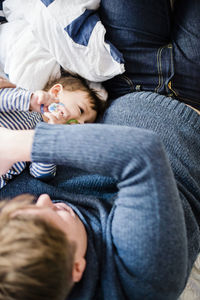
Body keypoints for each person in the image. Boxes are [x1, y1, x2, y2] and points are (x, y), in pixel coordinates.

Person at [0, 0, 199, 299]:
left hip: (118, 81)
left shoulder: (12, 245)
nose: (43, 199)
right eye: (56, 213)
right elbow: (141, 153)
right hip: (192, 98)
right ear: (76, 269)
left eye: (26, 210)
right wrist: (18, 144)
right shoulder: (143, 275)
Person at [0, 74, 105, 188]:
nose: (80, 123)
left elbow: (41, 175)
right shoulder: (22, 99)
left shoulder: (51, 140)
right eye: (80, 110)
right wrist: (31, 100)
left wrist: (50, 136)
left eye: (85, 124)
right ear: (55, 92)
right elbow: (4, 99)